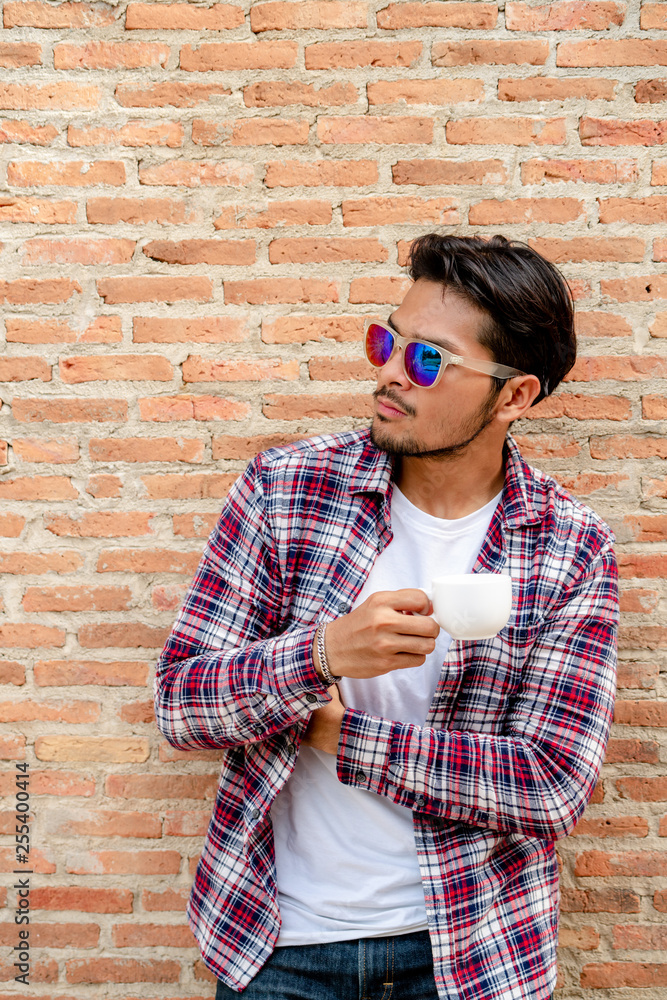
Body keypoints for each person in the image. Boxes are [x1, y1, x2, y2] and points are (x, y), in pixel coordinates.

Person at [154, 233, 618, 1000]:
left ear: (514, 396)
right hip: (278, 945)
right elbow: (181, 703)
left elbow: (550, 786)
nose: (388, 372)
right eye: (386, 340)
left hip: (472, 952)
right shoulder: (289, 490)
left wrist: (344, 736)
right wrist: (321, 654)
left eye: (428, 360)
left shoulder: (567, 546)